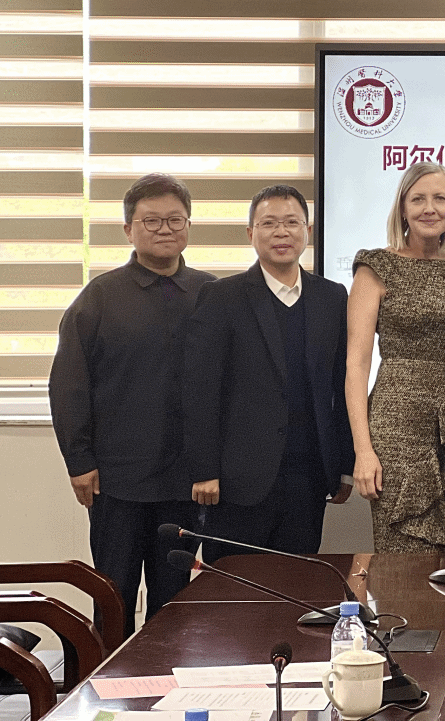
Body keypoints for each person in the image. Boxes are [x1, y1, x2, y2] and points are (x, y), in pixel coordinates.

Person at [49, 174, 214, 635]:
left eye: (175, 219)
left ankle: (164, 681)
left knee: (174, 602)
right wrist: (79, 461)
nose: (164, 229)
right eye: (151, 221)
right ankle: (107, 681)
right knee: (114, 594)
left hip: (186, 481)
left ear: (188, 225)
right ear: (128, 229)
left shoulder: (212, 294)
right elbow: (68, 385)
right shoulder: (99, 297)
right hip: (115, 481)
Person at [183, 185, 354, 561]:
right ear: (251, 233)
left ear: (307, 231)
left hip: (309, 478)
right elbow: (199, 390)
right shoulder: (221, 297)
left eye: (292, 222)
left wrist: (345, 466)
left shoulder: (331, 297)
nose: (281, 232)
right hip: (237, 482)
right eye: (269, 223)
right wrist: (204, 470)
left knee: (296, 584)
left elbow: (342, 385)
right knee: (233, 587)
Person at [345, 162, 445, 554]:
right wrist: (363, 451)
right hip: (397, 431)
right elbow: (356, 366)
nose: (430, 208)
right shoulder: (376, 267)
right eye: (418, 199)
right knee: (404, 555)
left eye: (440, 198)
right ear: (403, 208)